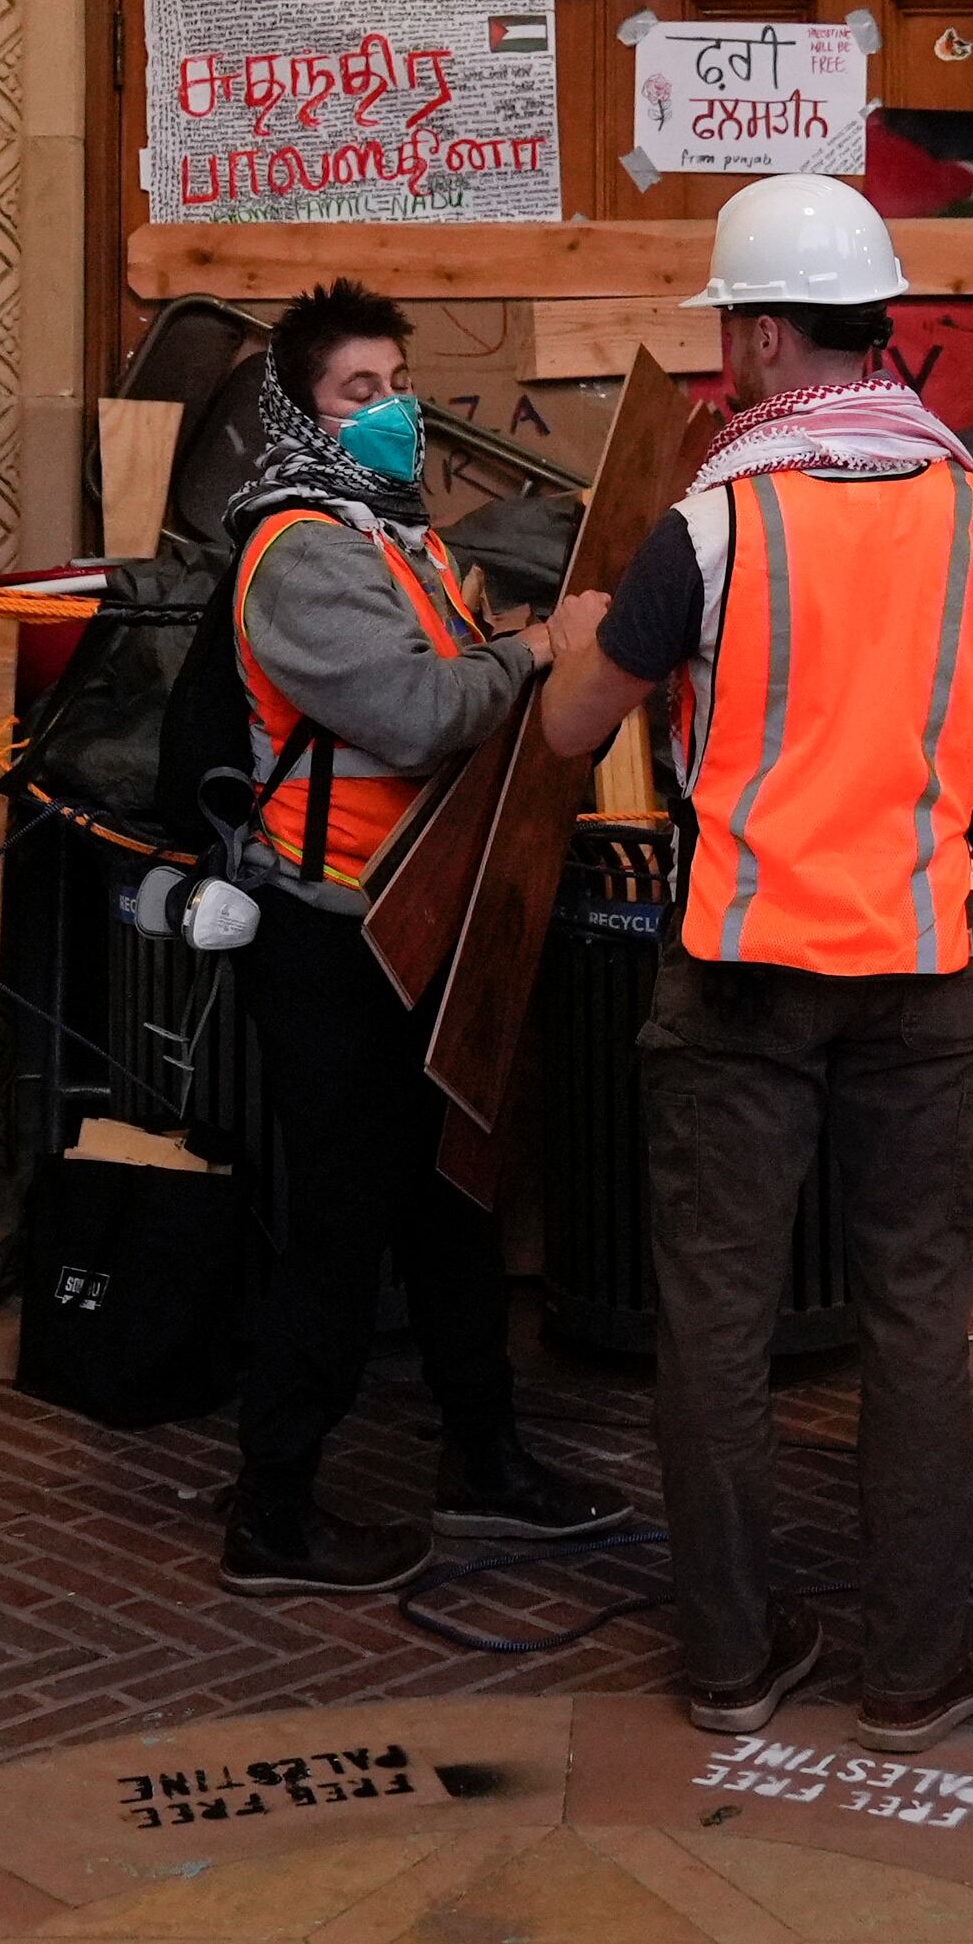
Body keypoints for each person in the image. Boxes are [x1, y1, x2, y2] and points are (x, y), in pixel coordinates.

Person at [536, 174, 973, 1749]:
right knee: (912, 1314)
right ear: (872, 324)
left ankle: (732, 1654)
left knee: (715, 1318)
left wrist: (584, 639)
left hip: (743, 970)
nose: (723, 360)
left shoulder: (709, 524)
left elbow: (574, 729)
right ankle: (911, 1669)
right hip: (921, 962)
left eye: (729, 331)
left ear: (764, 333)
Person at [214, 282, 623, 1596]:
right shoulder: (300, 550)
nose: (389, 410)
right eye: (357, 392)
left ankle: (484, 1455)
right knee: (339, 1230)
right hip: (340, 938)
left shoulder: (400, 538)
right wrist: (540, 654)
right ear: (300, 412)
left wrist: (522, 651)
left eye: (397, 382)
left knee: (457, 1203)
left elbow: (460, 664)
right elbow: (410, 709)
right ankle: (270, 1516)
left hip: (431, 917)